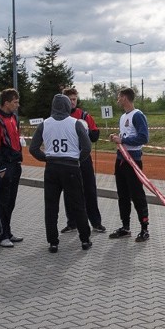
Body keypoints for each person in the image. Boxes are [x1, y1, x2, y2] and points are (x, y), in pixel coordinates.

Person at [28, 94, 93, 253]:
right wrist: (77, 159)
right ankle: (85, 239)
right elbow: (87, 148)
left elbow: (33, 148)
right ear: (66, 106)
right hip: (71, 167)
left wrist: (47, 158)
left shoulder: (44, 124)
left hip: (52, 168)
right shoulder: (76, 123)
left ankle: (53, 242)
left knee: (51, 207)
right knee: (78, 205)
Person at [59, 87, 106, 234]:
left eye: (74, 99)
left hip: (84, 158)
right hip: (67, 160)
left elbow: (94, 136)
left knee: (90, 190)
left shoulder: (84, 116)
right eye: (69, 99)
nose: (72, 102)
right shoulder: (59, 117)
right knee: (69, 192)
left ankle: (96, 223)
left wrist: (88, 132)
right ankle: (71, 222)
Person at [108, 87, 150, 242]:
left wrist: (123, 140)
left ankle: (144, 229)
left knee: (137, 195)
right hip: (120, 160)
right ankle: (125, 227)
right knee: (123, 195)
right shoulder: (122, 117)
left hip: (133, 160)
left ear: (125, 98)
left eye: (119, 96)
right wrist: (117, 137)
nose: (118, 99)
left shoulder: (137, 115)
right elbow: (125, 136)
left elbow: (144, 138)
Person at [0, 88, 24, 248]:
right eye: (15, 102)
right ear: (6, 103)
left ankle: (8, 231)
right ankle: (1, 235)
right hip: (3, 167)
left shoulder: (14, 118)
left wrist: (19, 159)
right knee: (0, 201)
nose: (18, 105)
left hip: (15, 164)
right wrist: (0, 168)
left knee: (10, 201)